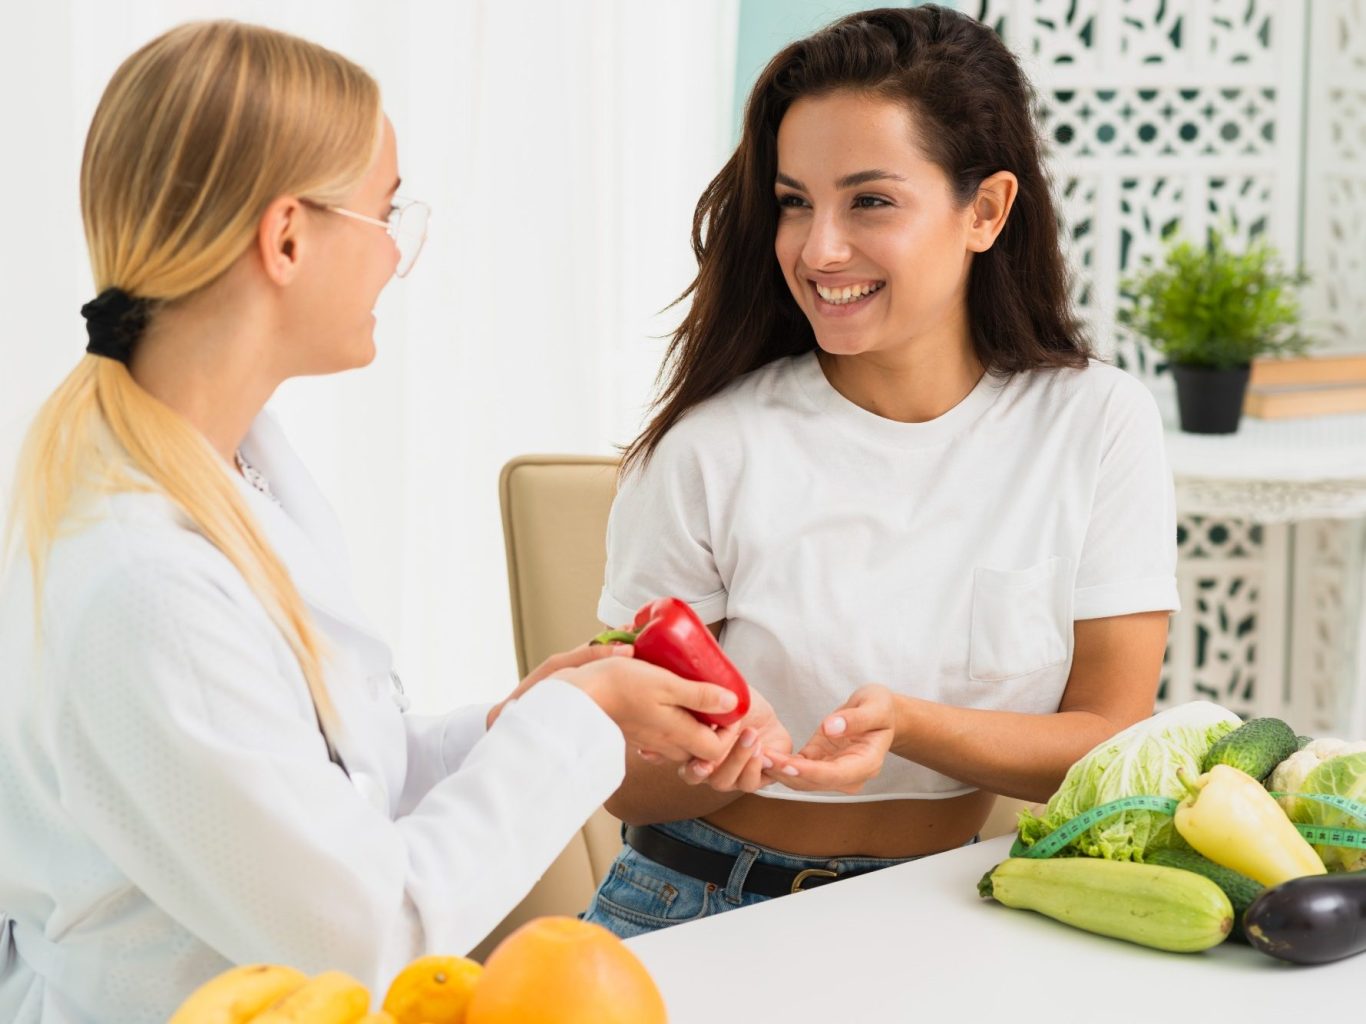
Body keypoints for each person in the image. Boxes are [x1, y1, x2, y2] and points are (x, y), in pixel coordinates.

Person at [0, 21, 741, 1023]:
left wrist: (512, 722)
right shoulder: (143, 581)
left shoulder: (233, 468)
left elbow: (334, 785)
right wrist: (580, 721)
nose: (398, 251)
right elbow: (368, 932)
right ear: (287, 237)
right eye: (387, 211)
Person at [582, 4, 1179, 938]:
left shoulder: (1095, 422)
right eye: (794, 202)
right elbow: (627, 783)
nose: (819, 249)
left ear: (986, 210)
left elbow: (1109, 742)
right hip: (695, 906)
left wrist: (912, 723)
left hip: (957, 911)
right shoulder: (709, 447)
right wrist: (714, 755)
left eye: (869, 201)